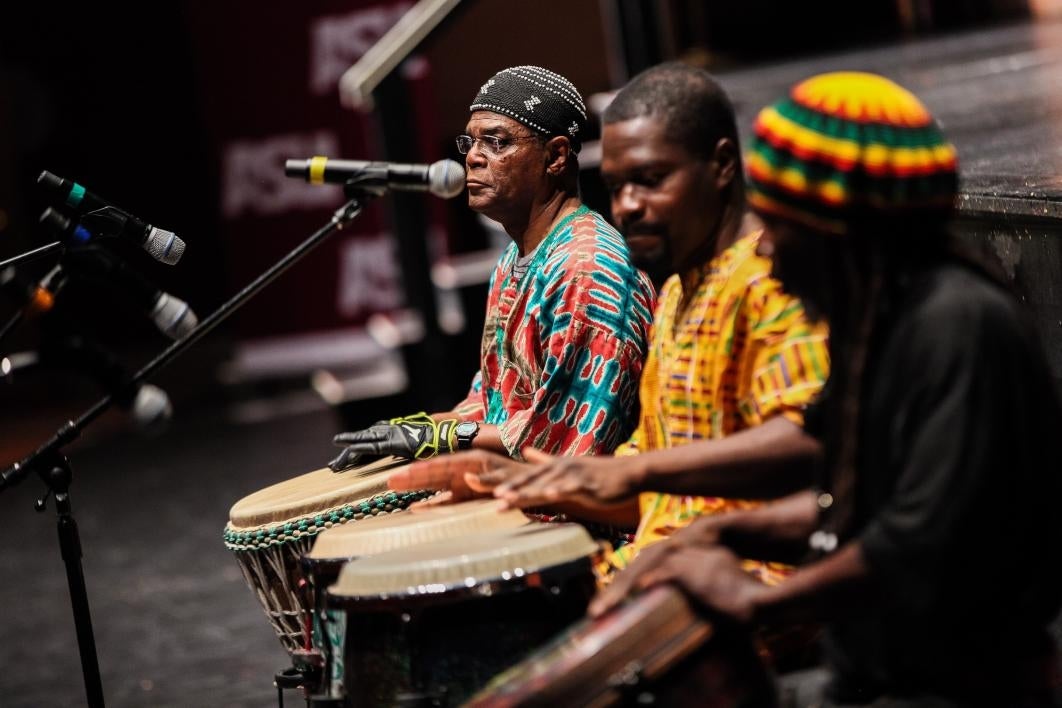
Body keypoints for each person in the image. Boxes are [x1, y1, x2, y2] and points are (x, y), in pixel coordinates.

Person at [592, 72, 1062, 705]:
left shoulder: (957, 326)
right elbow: (842, 505)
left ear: (845, 230)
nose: (767, 251)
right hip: (875, 674)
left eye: (782, 229)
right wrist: (719, 535)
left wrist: (760, 599)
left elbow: (915, 548)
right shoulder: (878, 322)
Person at [390, 63, 830, 583]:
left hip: (739, 576)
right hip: (655, 558)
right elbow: (645, 474)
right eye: (617, 186)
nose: (627, 206)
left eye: (649, 181)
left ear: (722, 165)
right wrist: (499, 474)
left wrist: (470, 451)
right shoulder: (676, 294)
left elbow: (805, 444)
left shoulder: (766, 283)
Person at [329, 66, 654, 470]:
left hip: (586, 519)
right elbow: (491, 403)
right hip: (526, 491)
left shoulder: (586, 271)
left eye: (496, 142)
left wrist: (439, 437)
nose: (472, 158)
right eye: (471, 141)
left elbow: (560, 441)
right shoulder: (513, 261)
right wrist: (412, 430)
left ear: (554, 156)